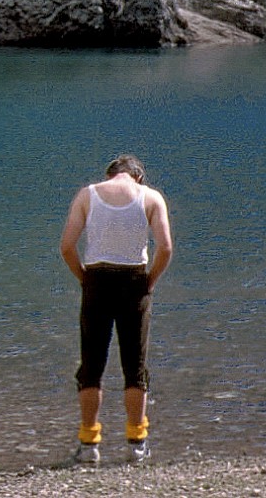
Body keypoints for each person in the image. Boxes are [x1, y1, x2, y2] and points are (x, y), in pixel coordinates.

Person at [58, 154, 173, 466]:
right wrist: (150, 281)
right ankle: (136, 444)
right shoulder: (151, 197)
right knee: (134, 366)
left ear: (110, 175)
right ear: (137, 176)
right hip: (134, 281)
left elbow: (67, 247)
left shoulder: (88, 195)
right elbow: (165, 248)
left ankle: (88, 444)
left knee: (91, 365)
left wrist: (84, 279)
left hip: (96, 279)